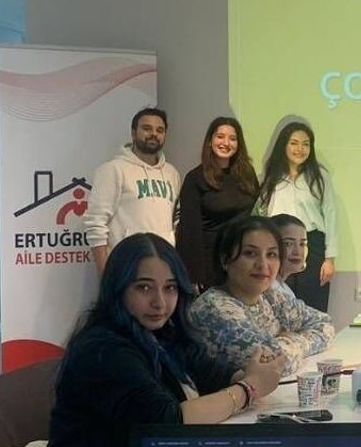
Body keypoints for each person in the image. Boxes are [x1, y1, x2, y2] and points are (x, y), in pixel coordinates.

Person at [18, 234, 284, 447]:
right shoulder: (102, 349)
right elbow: (166, 421)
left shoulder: (163, 333)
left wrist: (250, 373)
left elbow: (215, 375)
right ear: (118, 289)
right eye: (144, 288)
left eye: (170, 288)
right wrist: (248, 389)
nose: (160, 302)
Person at [190, 215, 334, 377]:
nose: (263, 265)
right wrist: (292, 341)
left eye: (271, 254)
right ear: (225, 260)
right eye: (250, 253)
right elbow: (274, 363)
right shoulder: (214, 308)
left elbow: (325, 324)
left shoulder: (270, 297)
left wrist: (288, 341)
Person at [84, 108, 182, 275]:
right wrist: (105, 273)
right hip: (126, 267)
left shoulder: (172, 173)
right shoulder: (112, 170)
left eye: (160, 130)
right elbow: (96, 224)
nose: (154, 134)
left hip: (163, 267)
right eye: (147, 128)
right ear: (133, 133)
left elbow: (177, 221)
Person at [255, 121, 338, 312]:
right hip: (278, 244)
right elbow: (260, 212)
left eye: (305, 144)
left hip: (312, 244)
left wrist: (330, 259)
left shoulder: (319, 176)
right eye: (294, 143)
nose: (300, 149)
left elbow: (331, 215)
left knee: (312, 304)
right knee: (279, 303)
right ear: (284, 145)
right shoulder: (269, 176)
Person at [175, 117, 260, 289]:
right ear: (210, 141)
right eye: (220, 136)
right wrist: (194, 274)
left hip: (242, 257)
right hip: (210, 262)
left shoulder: (247, 174)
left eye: (232, 138)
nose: (226, 143)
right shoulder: (195, 178)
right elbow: (189, 231)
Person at [272, 213, 309, 298]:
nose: (297, 252)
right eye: (288, 244)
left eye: (302, 244)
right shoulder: (267, 291)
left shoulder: (285, 290)